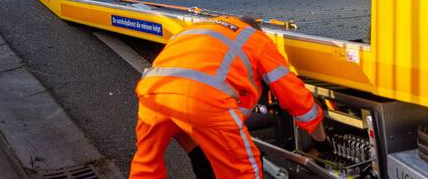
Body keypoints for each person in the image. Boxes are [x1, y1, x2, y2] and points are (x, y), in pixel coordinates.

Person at [130, 15, 329, 179]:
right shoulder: (257, 39)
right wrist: (320, 140)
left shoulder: (197, 30)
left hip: (152, 94)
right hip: (201, 99)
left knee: (146, 165)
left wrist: (203, 155)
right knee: (244, 169)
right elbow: (294, 95)